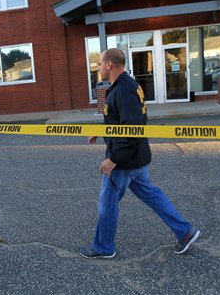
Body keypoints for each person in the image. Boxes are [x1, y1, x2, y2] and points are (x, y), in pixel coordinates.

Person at [80, 48, 199, 259]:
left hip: (123, 162)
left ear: (109, 64)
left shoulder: (123, 89)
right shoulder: (124, 86)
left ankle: (103, 247)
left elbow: (133, 128)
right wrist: (100, 131)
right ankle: (185, 232)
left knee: (106, 204)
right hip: (135, 158)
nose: (97, 68)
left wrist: (113, 159)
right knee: (152, 196)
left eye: (99, 63)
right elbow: (120, 121)